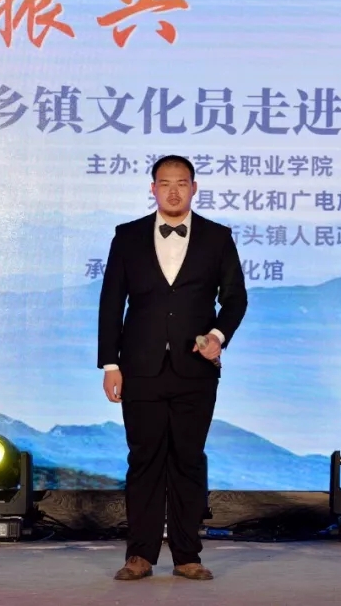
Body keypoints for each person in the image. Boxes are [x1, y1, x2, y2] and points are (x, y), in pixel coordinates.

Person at [98, 155, 248, 581]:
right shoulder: (127, 236)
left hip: (195, 368)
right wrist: (111, 363)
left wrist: (217, 335)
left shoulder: (217, 237)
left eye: (182, 183)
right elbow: (111, 302)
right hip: (140, 367)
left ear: (194, 188)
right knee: (144, 459)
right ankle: (139, 554)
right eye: (165, 183)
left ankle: (187, 555)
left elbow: (235, 298)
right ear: (153, 189)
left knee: (188, 459)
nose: (174, 191)